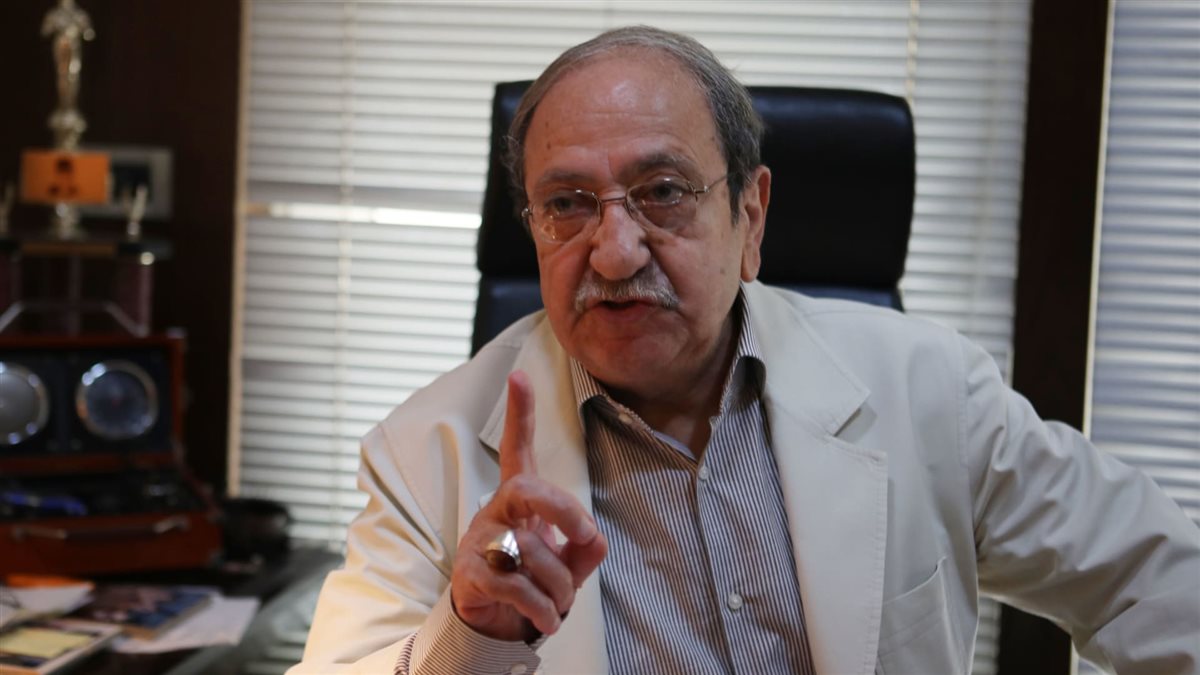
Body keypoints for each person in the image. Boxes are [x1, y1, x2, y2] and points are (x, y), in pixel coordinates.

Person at [292, 26, 1200, 675]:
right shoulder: (424, 452)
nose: (614, 252)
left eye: (663, 191)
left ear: (750, 216)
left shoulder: (930, 389)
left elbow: (1160, 584)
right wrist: (471, 633)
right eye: (566, 204)